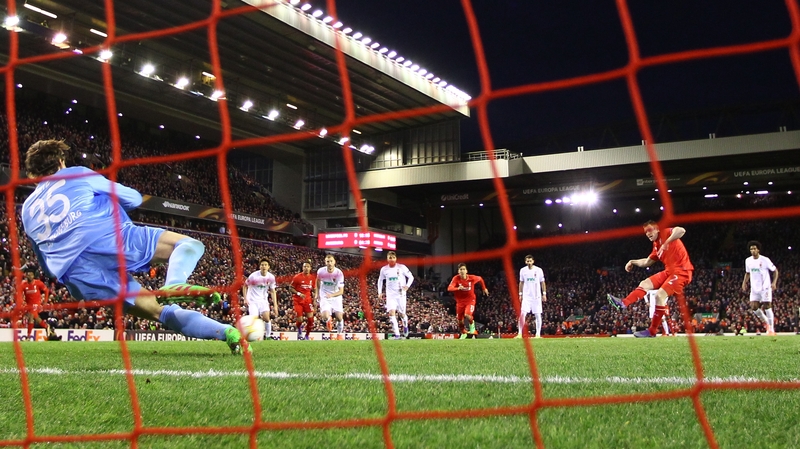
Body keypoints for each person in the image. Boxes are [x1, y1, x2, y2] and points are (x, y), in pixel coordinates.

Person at [20, 139, 248, 354]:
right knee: (189, 244)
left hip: (78, 274)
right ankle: (175, 283)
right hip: (108, 238)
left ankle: (227, 332)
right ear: (61, 162)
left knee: (161, 313)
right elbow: (134, 199)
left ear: (32, 174)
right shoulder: (75, 173)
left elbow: (47, 267)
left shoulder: (26, 210)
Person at [607, 220, 693, 338]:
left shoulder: (665, 233)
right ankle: (624, 303)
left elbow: (681, 230)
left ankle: (652, 331)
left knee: (659, 295)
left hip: (682, 271)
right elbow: (647, 262)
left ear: (657, 229)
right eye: (645, 232)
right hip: (669, 272)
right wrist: (632, 261)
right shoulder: (656, 246)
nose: (647, 233)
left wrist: (667, 242)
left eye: (650, 230)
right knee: (645, 283)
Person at [741, 240, 778, 336]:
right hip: (754, 288)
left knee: (767, 306)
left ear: (758, 250)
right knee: (754, 307)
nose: (752, 250)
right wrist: (744, 283)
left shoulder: (765, 260)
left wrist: (774, 283)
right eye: (751, 249)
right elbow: (748, 273)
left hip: (765, 287)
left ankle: (772, 329)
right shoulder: (748, 261)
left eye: (754, 248)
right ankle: (767, 322)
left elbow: (775, 271)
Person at [377, 251, 415, 339]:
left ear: (396, 258)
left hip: (401, 294)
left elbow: (411, 277)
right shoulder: (384, 269)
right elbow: (380, 280)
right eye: (390, 258)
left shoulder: (401, 267)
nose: (391, 259)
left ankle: (405, 326)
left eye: (393, 258)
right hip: (390, 295)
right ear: (387, 259)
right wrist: (379, 292)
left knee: (402, 314)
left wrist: (407, 286)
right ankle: (397, 334)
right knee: (391, 314)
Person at [447, 263, 489, 339]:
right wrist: (457, 288)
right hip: (460, 302)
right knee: (460, 321)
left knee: (468, 315)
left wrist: (484, 288)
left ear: (466, 271)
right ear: (458, 272)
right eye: (460, 270)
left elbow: (480, 279)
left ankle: (472, 328)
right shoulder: (456, 279)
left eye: (463, 269)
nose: (462, 271)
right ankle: (463, 332)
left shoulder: (472, 278)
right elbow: (449, 288)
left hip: (470, 300)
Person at [242, 258, 279, 340]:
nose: (264, 266)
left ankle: (268, 336)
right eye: (262, 265)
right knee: (254, 320)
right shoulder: (253, 276)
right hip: (252, 300)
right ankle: (251, 336)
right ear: (259, 266)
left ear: (268, 267)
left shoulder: (271, 277)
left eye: (265, 265)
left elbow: (273, 291)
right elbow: (244, 286)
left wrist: (275, 306)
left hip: (263, 300)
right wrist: (245, 298)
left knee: (266, 318)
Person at [19, 268, 59, 340]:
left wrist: (45, 302)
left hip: (37, 304)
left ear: (33, 275)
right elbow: (19, 294)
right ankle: (46, 326)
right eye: (28, 275)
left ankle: (28, 337)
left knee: (31, 316)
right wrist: (22, 302)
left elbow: (46, 290)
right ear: (26, 276)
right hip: (29, 305)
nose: (30, 276)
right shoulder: (24, 284)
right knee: (34, 319)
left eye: (31, 275)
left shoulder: (38, 283)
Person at [515, 254, 546, 338]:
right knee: (522, 314)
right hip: (527, 297)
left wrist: (544, 294)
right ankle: (519, 334)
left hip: (536, 296)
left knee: (538, 315)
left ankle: (538, 334)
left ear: (533, 261)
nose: (529, 262)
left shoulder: (539, 270)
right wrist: (520, 294)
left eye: (530, 261)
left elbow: (542, 282)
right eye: (527, 261)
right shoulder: (522, 270)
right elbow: (521, 283)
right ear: (525, 262)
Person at [316, 254, 345, 334]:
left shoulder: (339, 273)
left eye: (331, 261)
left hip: (336, 295)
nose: (329, 263)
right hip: (324, 294)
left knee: (339, 318)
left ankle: (339, 333)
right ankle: (328, 320)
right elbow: (317, 281)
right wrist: (317, 294)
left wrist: (331, 295)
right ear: (325, 262)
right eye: (327, 261)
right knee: (325, 316)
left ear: (334, 262)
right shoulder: (321, 271)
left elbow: (341, 291)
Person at [290, 260, 316, 340]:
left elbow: (314, 290)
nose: (306, 268)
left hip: (308, 301)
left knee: (311, 320)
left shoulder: (312, 278)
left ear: (310, 268)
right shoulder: (297, 277)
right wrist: (298, 293)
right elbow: (290, 287)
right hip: (298, 301)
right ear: (302, 267)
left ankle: (307, 335)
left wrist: (315, 299)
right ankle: (299, 329)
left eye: (308, 266)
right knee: (300, 319)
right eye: (305, 266)